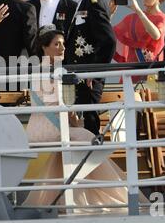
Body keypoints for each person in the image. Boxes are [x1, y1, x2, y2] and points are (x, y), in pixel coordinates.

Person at [23, 25, 142, 211]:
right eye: (57, 44)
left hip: (53, 125)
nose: (62, 48)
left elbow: (61, 104)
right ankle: (117, 192)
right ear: (44, 48)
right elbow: (54, 105)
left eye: (63, 43)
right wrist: (75, 120)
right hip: (49, 127)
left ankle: (74, 199)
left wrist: (73, 117)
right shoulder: (46, 71)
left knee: (73, 147)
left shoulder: (54, 69)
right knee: (86, 138)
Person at [65, 0, 116, 135]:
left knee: (89, 123)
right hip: (78, 76)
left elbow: (109, 41)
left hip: (88, 78)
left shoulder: (93, 1)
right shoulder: (85, 0)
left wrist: (94, 71)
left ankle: (92, 161)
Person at [110, 0, 165, 77]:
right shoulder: (131, 18)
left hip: (152, 75)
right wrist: (110, 14)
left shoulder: (162, 18)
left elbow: (156, 35)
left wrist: (138, 11)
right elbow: (110, 34)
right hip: (130, 75)